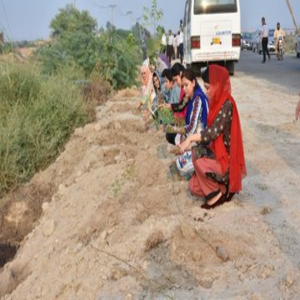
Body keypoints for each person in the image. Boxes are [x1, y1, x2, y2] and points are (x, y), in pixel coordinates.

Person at [178, 65, 246, 209]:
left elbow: (211, 133)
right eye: (206, 87)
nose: (207, 92)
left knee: (196, 155)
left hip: (226, 162)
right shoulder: (215, 102)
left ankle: (215, 197)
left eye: (209, 88)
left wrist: (190, 140)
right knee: (193, 187)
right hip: (216, 155)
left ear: (218, 85)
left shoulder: (227, 104)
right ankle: (221, 189)